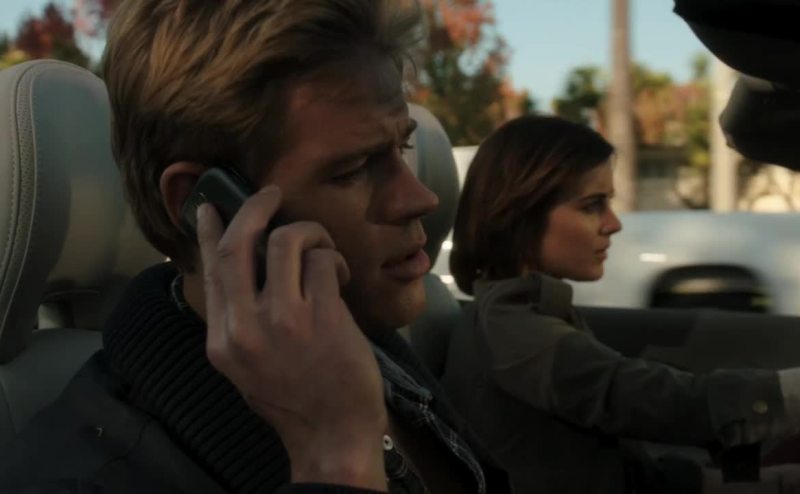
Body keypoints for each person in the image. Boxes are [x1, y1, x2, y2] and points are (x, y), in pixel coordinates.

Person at [0, 1, 509, 492]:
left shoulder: (357, 336)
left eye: (402, 147)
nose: (421, 197)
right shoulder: (83, 479)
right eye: (352, 169)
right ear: (208, 205)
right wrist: (335, 460)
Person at [441, 114, 800, 493]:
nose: (613, 224)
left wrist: (763, 483)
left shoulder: (532, 313)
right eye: (592, 205)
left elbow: (614, 468)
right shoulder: (513, 331)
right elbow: (655, 403)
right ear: (520, 215)